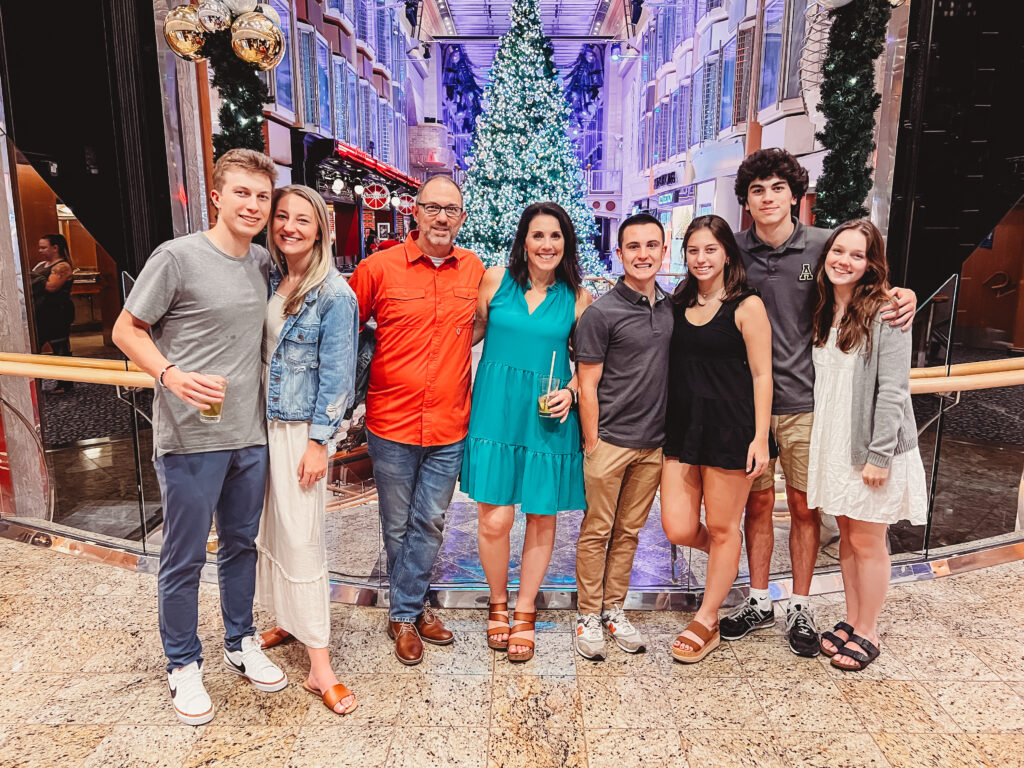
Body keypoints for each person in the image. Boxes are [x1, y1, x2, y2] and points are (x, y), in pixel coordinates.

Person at [112, 149, 287, 726]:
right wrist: (169, 374)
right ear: (217, 195)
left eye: (262, 196)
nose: (253, 205)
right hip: (190, 437)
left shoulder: (262, 261)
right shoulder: (178, 257)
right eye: (242, 193)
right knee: (183, 556)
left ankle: (240, 641)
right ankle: (183, 662)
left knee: (242, 546)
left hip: (250, 435)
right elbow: (124, 329)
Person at [721, 148, 917, 657]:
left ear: (795, 195)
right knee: (758, 505)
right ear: (746, 199)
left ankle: (802, 605)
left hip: (812, 406)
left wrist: (903, 294)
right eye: (757, 189)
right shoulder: (732, 251)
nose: (767, 198)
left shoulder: (821, 247)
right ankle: (760, 598)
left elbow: (866, 277)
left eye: (777, 188)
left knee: (807, 510)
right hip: (752, 408)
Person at [348, 176, 484, 665]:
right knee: (397, 524)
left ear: (462, 218)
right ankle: (413, 609)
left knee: (430, 521)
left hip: (449, 423)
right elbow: (346, 332)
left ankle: (405, 611)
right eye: (433, 208)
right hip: (391, 422)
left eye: (452, 209)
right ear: (416, 213)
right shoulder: (376, 269)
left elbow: (484, 324)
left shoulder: (474, 270)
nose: (442, 217)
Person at [463, 202, 592, 663]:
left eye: (555, 236)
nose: (546, 245)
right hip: (496, 410)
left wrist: (573, 392)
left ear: (566, 243)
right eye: (538, 236)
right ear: (523, 241)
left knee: (541, 515)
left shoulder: (577, 297)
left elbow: (589, 364)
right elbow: (469, 333)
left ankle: (524, 610)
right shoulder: (496, 280)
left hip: (547, 416)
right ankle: (497, 600)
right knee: (495, 518)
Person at [254, 185, 359, 715]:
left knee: (303, 540)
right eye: (281, 217)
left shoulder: (335, 294)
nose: (289, 226)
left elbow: (339, 379)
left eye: (302, 219)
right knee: (272, 530)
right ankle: (287, 622)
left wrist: (321, 442)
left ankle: (321, 668)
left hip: (300, 432)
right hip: (263, 426)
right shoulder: (273, 276)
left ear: (320, 228)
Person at [808, 219, 927, 671]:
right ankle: (852, 619)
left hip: (870, 446)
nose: (844, 261)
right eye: (839, 251)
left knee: (868, 539)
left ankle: (869, 630)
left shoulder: (886, 312)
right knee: (847, 537)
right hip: (834, 440)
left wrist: (879, 455)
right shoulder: (824, 306)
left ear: (871, 263)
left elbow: (895, 390)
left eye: (857, 255)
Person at [660, 215, 774, 662]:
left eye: (710, 249)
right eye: (693, 250)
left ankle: (707, 618)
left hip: (732, 427)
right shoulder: (679, 302)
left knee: (725, 525)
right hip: (684, 426)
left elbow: (764, 375)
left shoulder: (747, 306)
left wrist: (760, 438)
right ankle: (726, 557)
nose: (701, 258)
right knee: (679, 526)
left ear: (727, 252)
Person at [571, 213, 673, 661]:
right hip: (609, 441)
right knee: (597, 531)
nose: (643, 254)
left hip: (654, 444)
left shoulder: (673, 308)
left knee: (629, 532)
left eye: (652, 245)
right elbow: (587, 384)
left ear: (664, 251)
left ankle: (614, 608)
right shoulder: (601, 312)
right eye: (634, 246)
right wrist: (592, 441)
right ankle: (588, 614)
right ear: (619, 254)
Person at [31, 233, 75, 393]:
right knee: (34, 349)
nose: (40, 250)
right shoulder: (41, 265)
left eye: (44, 247)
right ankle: (36, 384)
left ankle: (65, 383)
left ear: (55, 248)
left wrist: (34, 279)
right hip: (40, 313)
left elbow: (51, 287)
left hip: (58, 313)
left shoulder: (63, 266)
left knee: (60, 348)